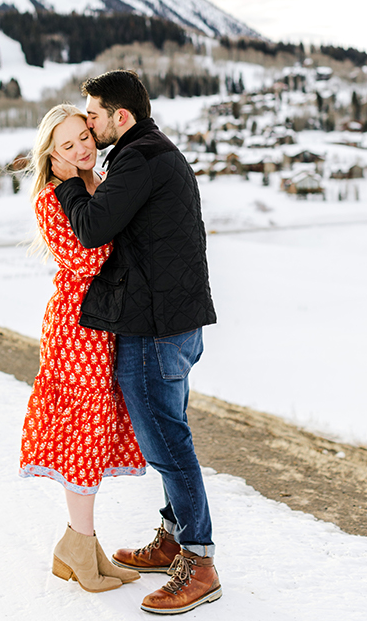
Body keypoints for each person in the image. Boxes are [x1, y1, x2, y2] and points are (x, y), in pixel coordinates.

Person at [50, 71, 221, 615]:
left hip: (154, 329)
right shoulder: (149, 151)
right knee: (171, 435)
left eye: (93, 116)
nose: (90, 126)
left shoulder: (137, 157)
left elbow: (95, 227)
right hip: (171, 321)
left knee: (168, 445)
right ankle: (174, 539)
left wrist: (68, 183)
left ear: (119, 117)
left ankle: (199, 562)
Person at [19, 103, 146, 594]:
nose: (81, 149)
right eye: (67, 145)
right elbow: (83, 259)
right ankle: (78, 542)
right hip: (77, 327)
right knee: (83, 433)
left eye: (83, 137)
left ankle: (85, 545)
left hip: (105, 323)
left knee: (95, 431)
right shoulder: (52, 198)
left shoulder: (104, 181)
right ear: (52, 157)